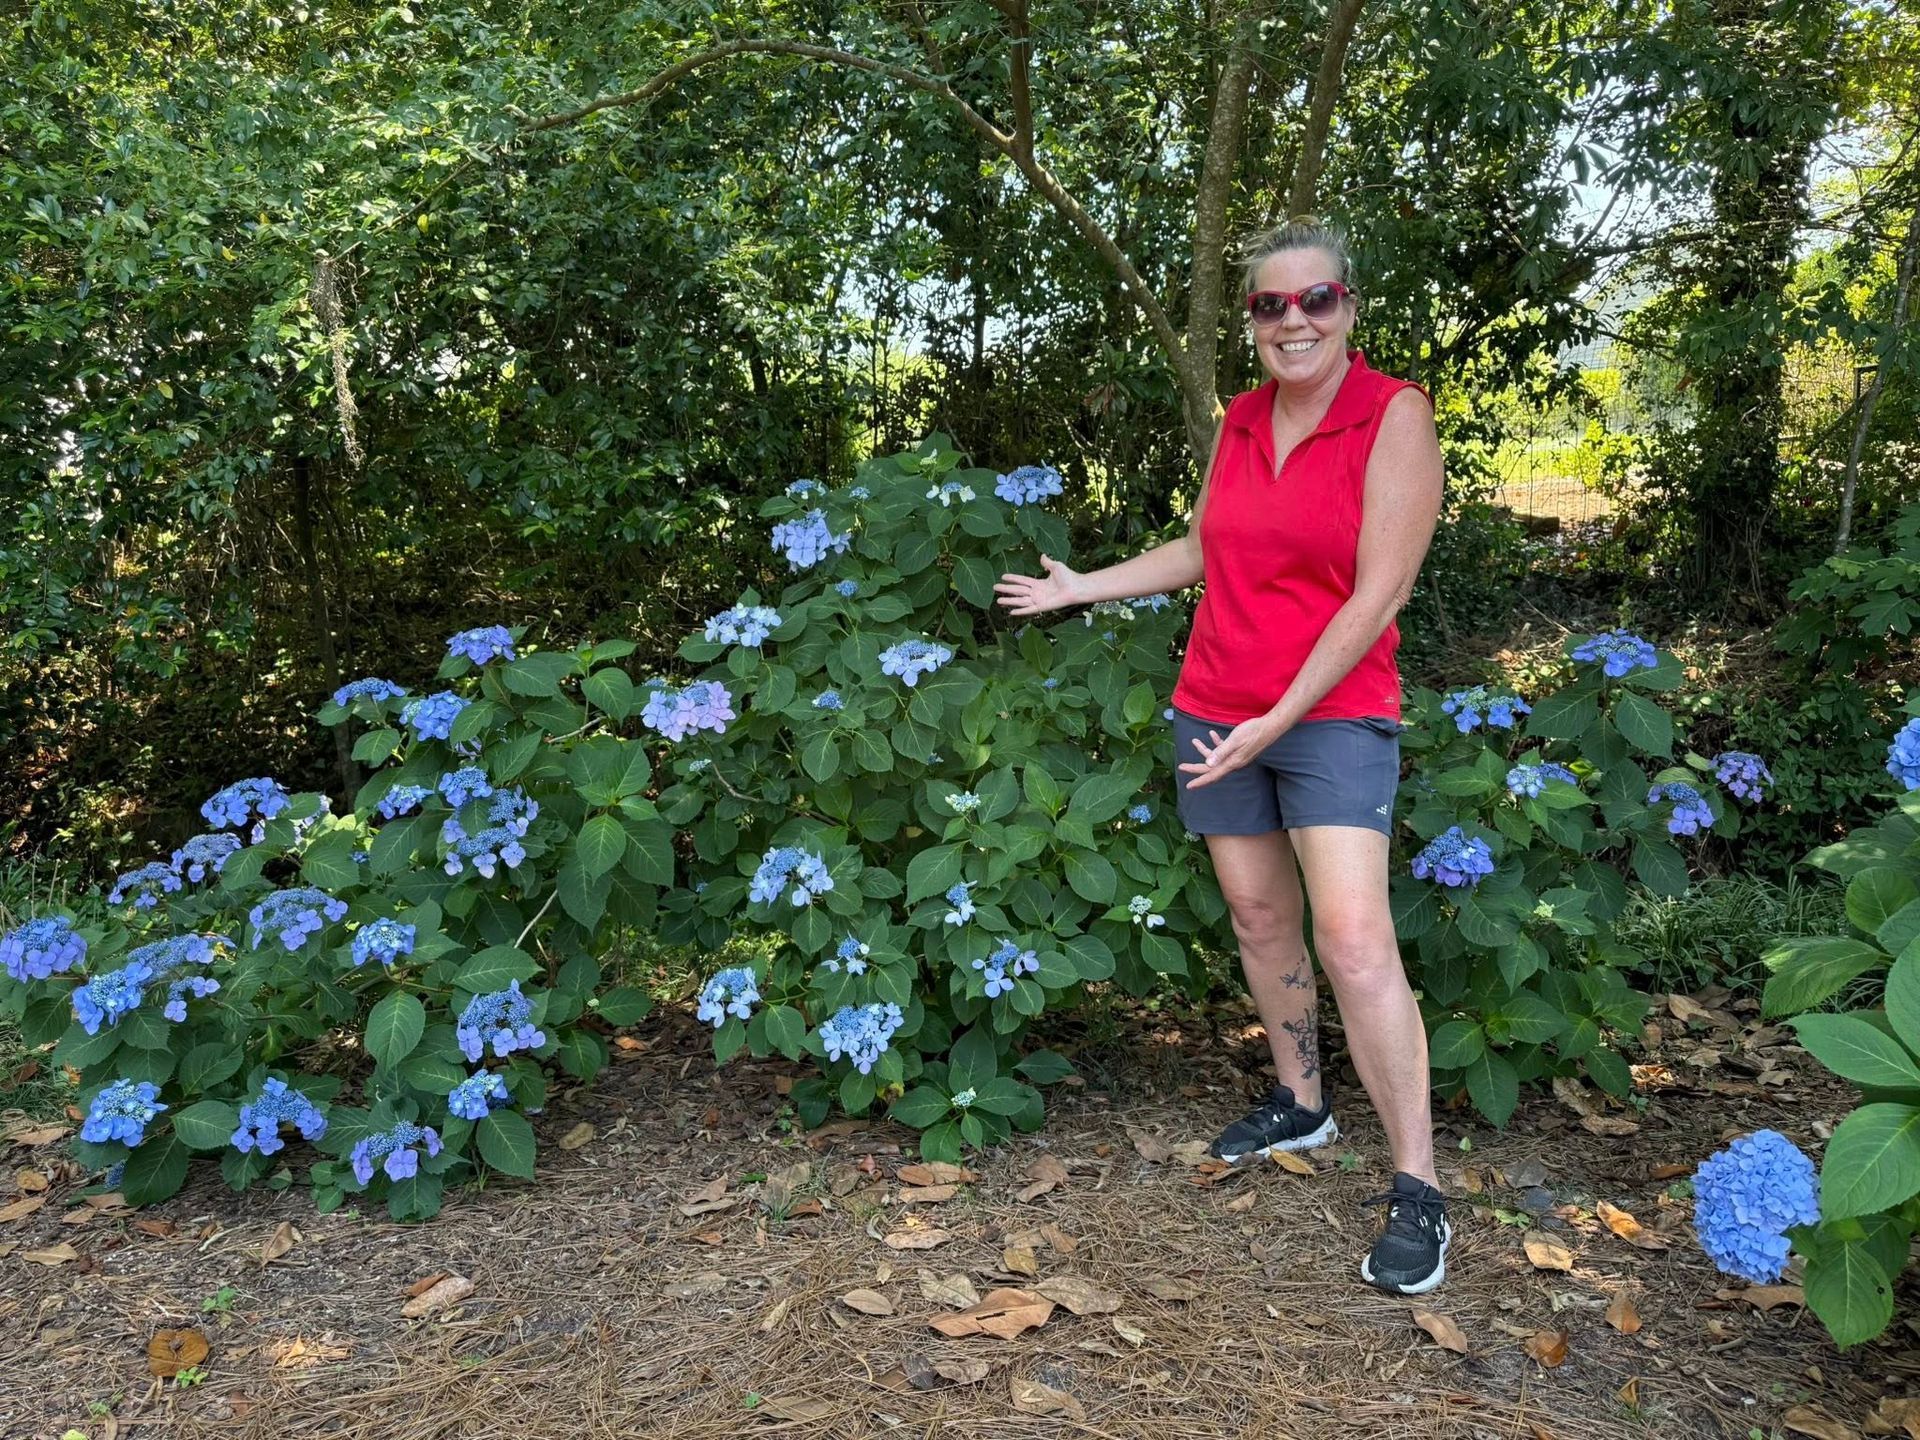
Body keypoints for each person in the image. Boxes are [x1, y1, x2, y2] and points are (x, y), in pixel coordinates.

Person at [993, 218, 1450, 1293]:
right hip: (1216, 705)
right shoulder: (1244, 419)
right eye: (1269, 305)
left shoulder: (1396, 416)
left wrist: (1284, 714)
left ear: (1349, 308)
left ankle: (1420, 1185)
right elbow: (1211, 545)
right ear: (1251, 320)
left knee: (1353, 937)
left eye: (1316, 300)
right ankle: (1302, 1102)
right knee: (1257, 916)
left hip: (1328, 713)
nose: (1293, 320)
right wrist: (1081, 587)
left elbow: (1378, 591)